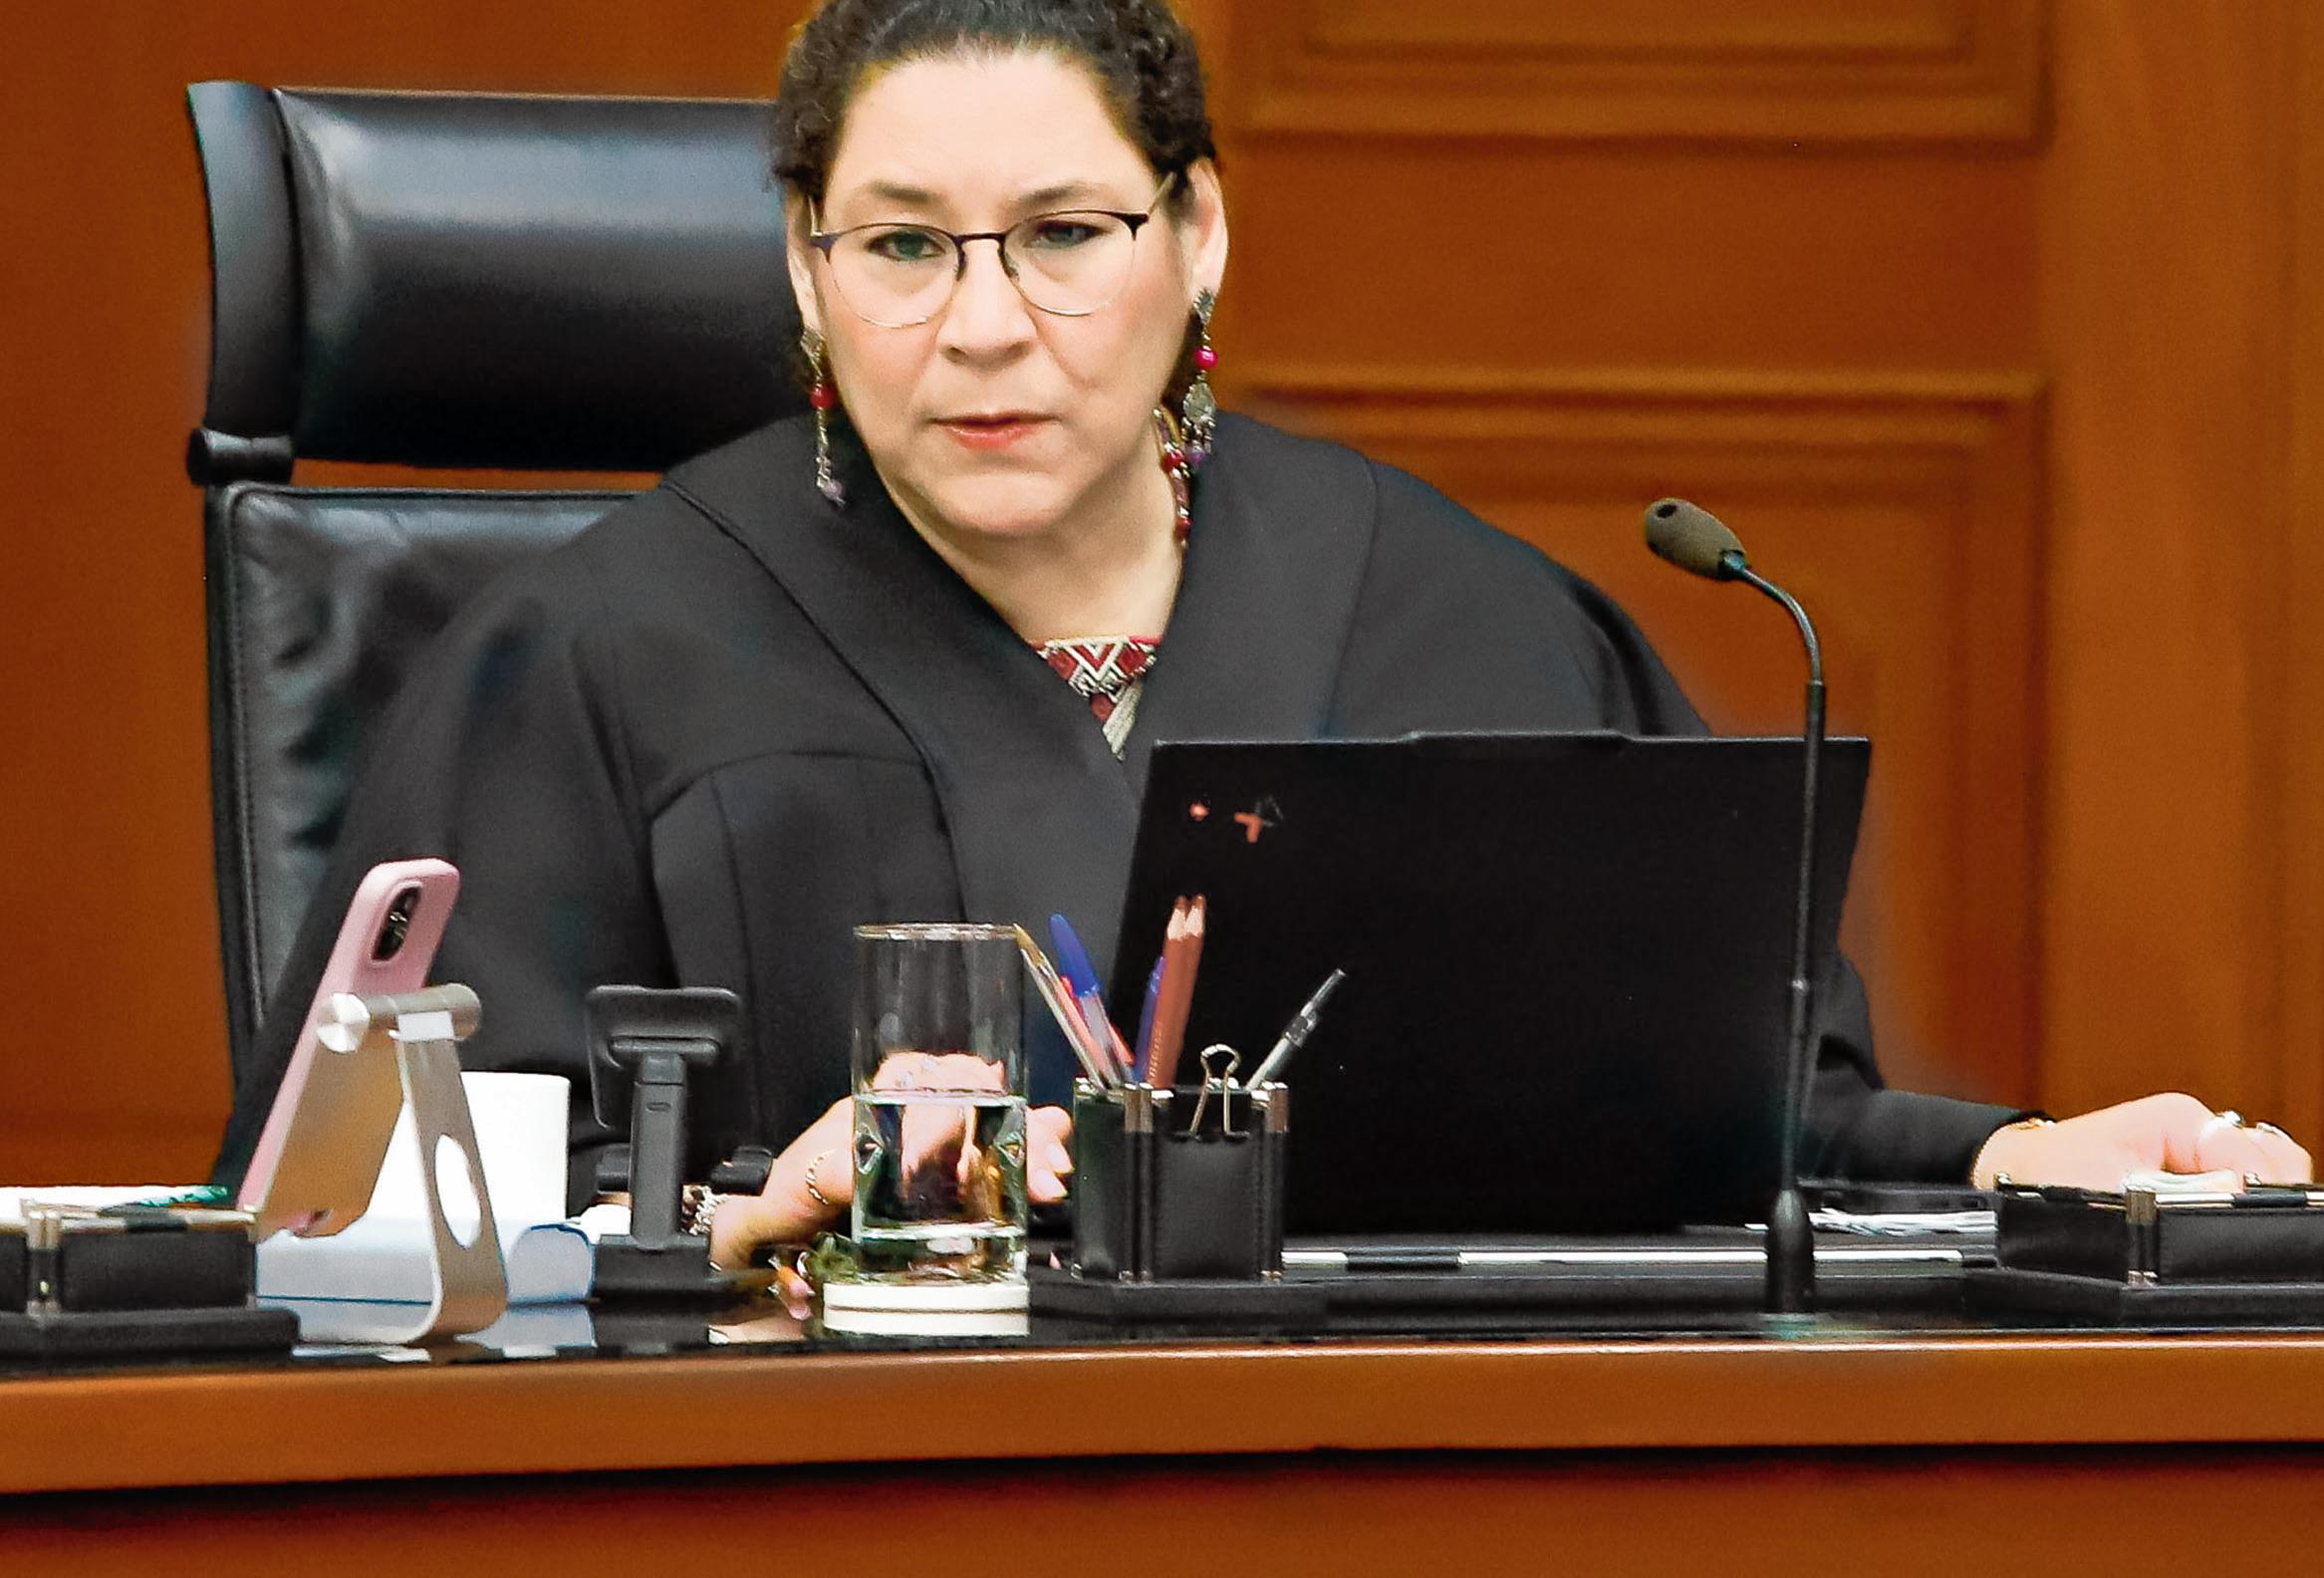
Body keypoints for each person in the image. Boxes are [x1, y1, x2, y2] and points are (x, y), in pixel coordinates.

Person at [212, 0, 2308, 1269]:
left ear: (1197, 231)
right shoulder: (606, 649)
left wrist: (2025, 1163)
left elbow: (1724, 1121)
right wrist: (724, 1210)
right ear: (803, 263)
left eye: (1065, 233)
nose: (983, 322)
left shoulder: (1463, 617)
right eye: (903, 246)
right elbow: (355, 1212)